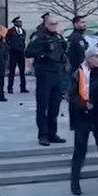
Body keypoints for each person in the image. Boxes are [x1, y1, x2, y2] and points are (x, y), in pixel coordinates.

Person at [69, 46, 98, 196]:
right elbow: (71, 96)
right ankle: (75, 183)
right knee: (80, 150)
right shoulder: (79, 73)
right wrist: (83, 104)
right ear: (88, 59)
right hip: (83, 117)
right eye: (95, 57)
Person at [25, 14, 68, 146]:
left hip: (57, 73)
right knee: (43, 105)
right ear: (45, 24)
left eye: (56, 24)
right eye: (51, 24)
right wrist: (42, 52)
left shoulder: (58, 36)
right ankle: (43, 135)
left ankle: (52, 133)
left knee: (55, 106)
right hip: (45, 73)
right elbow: (28, 52)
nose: (54, 27)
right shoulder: (39, 37)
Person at [5, 17, 28, 94]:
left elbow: (23, 41)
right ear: (15, 23)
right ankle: (10, 87)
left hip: (21, 53)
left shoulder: (23, 31)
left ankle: (23, 87)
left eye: (20, 22)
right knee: (12, 71)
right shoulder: (11, 31)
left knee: (22, 71)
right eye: (18, 22)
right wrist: (11, 48)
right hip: (13, 53)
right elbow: (7, 41)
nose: (20, 23)